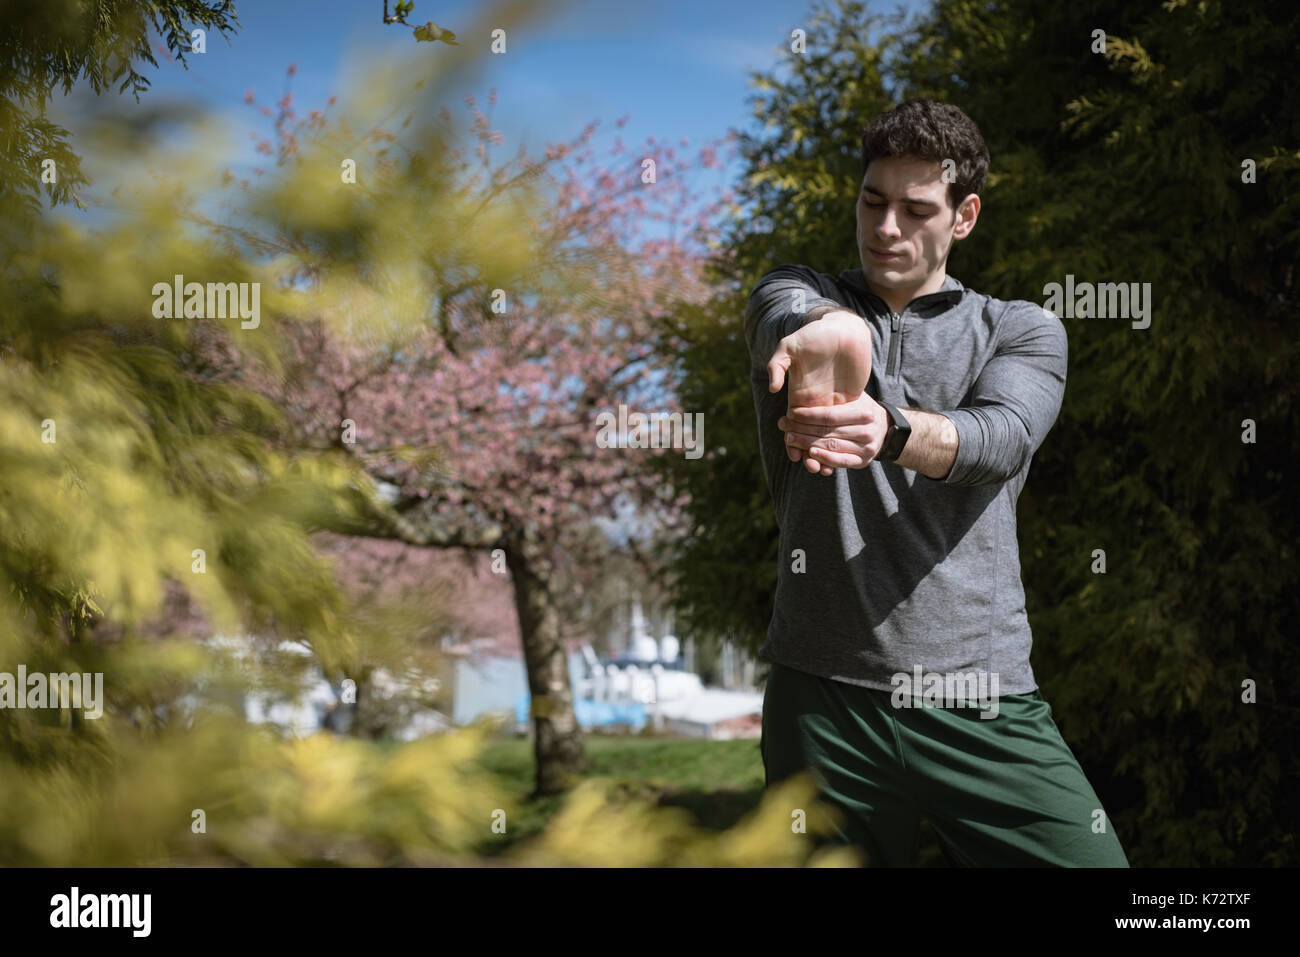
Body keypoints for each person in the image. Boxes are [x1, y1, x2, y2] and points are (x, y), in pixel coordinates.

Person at [744, 98, 1129, 867]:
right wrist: (831, 324)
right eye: (873, 202)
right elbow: (784, 313)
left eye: (917, 210)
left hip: (979, 698)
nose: (887, 228)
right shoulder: (794, 296)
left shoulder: (1021, 329)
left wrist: (890, 430)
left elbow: (1001, 438)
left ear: (965, 216)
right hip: (822, 702)